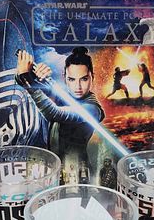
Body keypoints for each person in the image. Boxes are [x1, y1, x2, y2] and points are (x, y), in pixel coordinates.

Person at [16, 47, 105, 177]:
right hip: (53, 168)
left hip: (77, 173)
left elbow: (54, 112)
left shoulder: (92, 109)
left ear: (92, 77)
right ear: (65, 78)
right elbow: (30, 84)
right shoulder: (64, 95)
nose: (78, 86)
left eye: (84, 79)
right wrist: (30, 75)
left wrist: (26, 79)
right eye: (72, 79)